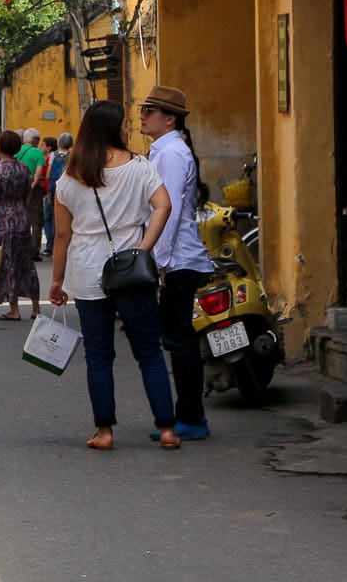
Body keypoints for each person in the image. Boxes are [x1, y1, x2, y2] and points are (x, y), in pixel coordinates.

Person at [50, 100, 179, 451]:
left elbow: (62, 236)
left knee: (99, 355)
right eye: (124, 123)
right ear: (111, 128)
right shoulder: (139, 167)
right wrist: (143, 247)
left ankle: (105, 432)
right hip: (131, 270)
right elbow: (163, 206)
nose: (128, 128)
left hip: (88, 270)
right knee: (149, 352)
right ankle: (167, 429)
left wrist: (57, 281)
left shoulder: (70, 176)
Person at [137, 85, 212, 440]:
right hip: (177, 258)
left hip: (177, 260)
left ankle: (192, 418)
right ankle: (190, 415)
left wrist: (159, 261)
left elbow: (166, 211)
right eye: (143, 109)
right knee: (179, 339)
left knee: (180, 342)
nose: (142, 115)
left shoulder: (170, 153)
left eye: (149, 111)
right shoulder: (166, 150)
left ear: (169, 119)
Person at [0, 129, 40, 320]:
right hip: (22, 217)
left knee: (8, 263)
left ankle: (14, 309)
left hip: (3, 220)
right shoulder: (24, 169)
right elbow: (28, 193)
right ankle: (35, 307)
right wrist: (22, 210)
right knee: (26, 262)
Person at [40, 135, 67, 258]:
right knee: (63, 219)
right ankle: (63, 247)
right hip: (66, 189)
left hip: (52, 188)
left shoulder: (53, 155)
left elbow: (49, 171)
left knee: (49, 218)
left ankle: (50, 246)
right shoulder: (72, 156)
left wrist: (47, 183)